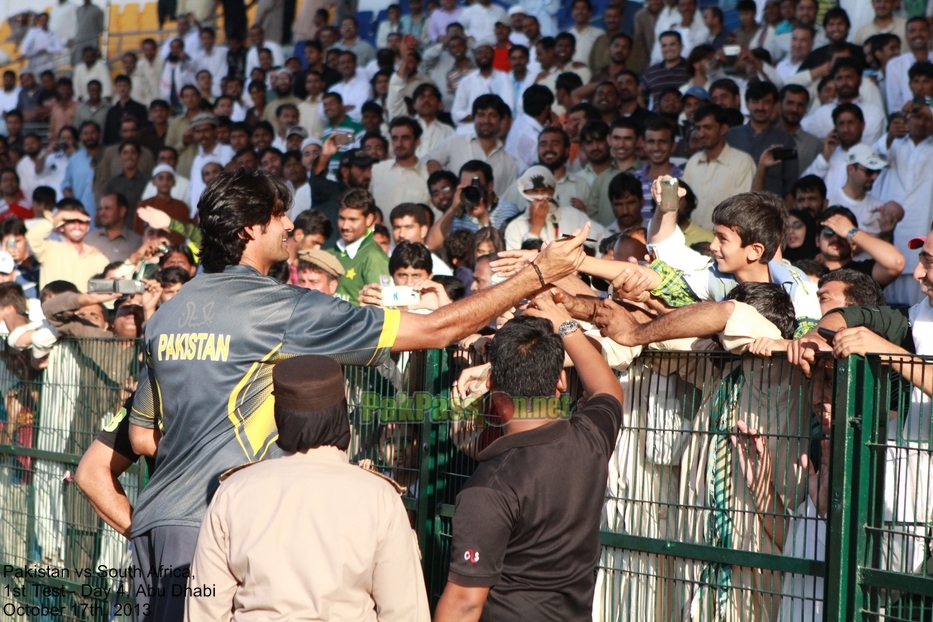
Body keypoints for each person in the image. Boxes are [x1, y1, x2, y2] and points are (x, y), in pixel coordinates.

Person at [122, 168, 590, 620]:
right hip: (218, 528)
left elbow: (143, 436)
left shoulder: (169, 311)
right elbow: (436, 329)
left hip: (151, 525)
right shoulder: (277, 307)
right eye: (279, 214)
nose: (291, 224)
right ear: (250, 229)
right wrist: (535, 275)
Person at [187, 354, 431, 621]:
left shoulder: (233, 492)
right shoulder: (379, 497)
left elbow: (205, 608)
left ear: (280, 417)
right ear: (341, 415)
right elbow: (405, 611)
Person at [434, 307, 623, 620]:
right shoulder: (591, 440)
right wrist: (567, 326)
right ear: (561, 380)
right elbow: (607, 389)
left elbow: (464, 603)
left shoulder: (489, 488)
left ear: (492, 383)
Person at [426, 95, 519, 197]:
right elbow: (426, 161)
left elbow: (508, 199)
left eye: (492, 115)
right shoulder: (454, 143)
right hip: (455, 210)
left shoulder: (508, 161)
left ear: (500, 120)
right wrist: (434, 167)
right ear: (473, 118)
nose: (486, 120)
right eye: (481, 115)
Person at [682, 104, 757, 230]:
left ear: (723, 129)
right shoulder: (693, 162)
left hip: (723, 243)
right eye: (698, 128)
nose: (701, 133)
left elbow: (741, 211)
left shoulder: (742, 162)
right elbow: (683, 203)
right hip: (689, 241)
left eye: (707, 127)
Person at [726, 80, 797, 204]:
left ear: (775, 105)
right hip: (733, 209)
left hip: (771, 211)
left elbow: (790, 185)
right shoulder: (731, 136)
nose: (760, 107)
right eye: (755, 102)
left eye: (766, 102)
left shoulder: (786, 140)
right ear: (747, 104)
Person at [504, 165, 601, 250]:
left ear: (554, 190)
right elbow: (517, 264)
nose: (540, 196)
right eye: (535, 191)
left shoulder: (573, 216)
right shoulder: (515, 227)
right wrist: (535, 228)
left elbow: (600, 240)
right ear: (524, 192)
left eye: (544, 190)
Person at [816, 206, 905, 287]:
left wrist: (851, 231)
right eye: (829, 232)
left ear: (854, 243)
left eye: (842, 234)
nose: (836, 238)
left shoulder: (864, 273)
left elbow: (897, 262)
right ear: (817, 240)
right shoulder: (807, 273)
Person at [25, 205, 108, 290]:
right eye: (71, 222)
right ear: (62, 227)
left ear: (88, 228)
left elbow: (112, 289)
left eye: (81, 222)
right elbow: (31, 237)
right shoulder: (49, 249)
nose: (77, 226)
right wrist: (60, 216)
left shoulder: (97, 257)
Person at [371, 117, 432, 216]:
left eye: (405, 138)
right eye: (395, 138)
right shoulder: (377, 170)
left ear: (417, 141)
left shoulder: (427, 176)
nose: (399, 144)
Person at [86, 193, 143, 263]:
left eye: (107, 208)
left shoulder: (136, 242)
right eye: (100, 209)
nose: (102, 213)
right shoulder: (90, 239)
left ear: (122, 211)